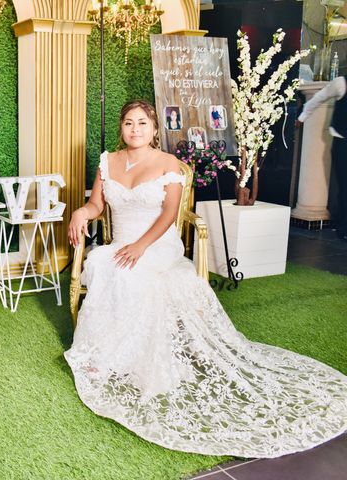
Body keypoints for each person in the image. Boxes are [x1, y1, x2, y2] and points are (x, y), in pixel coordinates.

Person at [65, 99, 347, 458]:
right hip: (122, 242)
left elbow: (170, 215)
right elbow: (97, 206)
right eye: (128, 123)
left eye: (142, 123)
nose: (134, 129)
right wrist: (81, 211)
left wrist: (140, 246)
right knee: (107, 265)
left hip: (156, 244)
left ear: (154, 130)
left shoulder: (170, 166)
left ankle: (136, 359)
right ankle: (107, 354)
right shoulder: (108, 162)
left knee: (135, 273)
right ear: (122, 129)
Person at [297, 74, 347, 241]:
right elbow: (319, 97)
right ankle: (343, 228)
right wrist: (302, 117)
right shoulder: (341, 82)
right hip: (343, 144)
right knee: (345, 186)